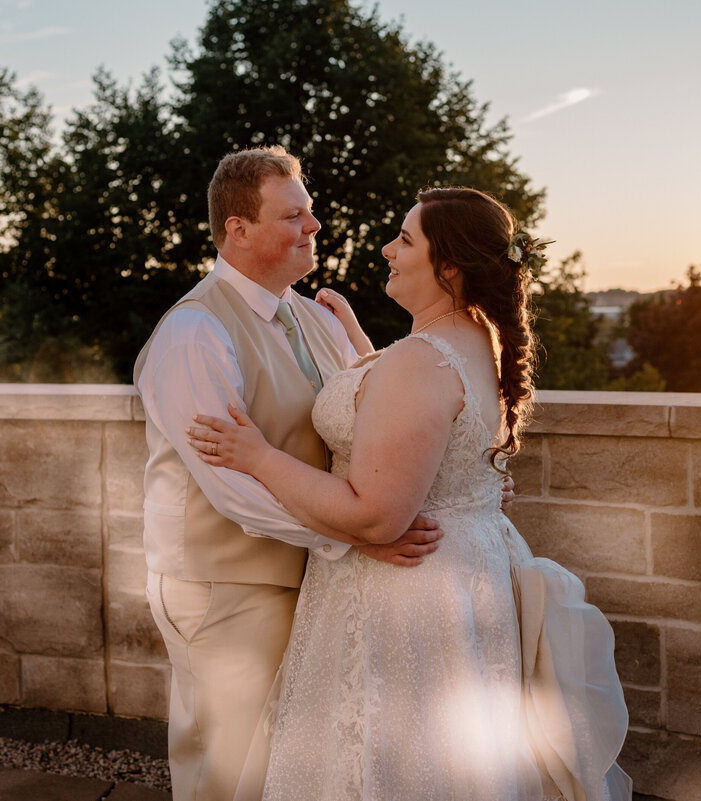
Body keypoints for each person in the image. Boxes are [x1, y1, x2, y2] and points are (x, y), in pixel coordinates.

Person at [188, 187, 632, 800]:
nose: (387, 248)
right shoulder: (477, 341)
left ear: (447, 265)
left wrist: (257, 457)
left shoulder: (419, 363)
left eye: (405, 239)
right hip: (464, 575)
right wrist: (363, 351)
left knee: (388, 764)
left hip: (405, 596)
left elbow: (375, 515)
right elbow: (413, 430)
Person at [134, 146, 462, 801]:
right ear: (239, 229)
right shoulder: (195, 333)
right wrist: (359, 534)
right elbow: (231, 487)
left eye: (310, 212)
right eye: (294, 215)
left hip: (310, 577)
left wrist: (457, 479)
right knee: (227, 774)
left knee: (290, 769)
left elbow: (368, 432)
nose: (314, 226)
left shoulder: (315, 317)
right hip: (224, 584)